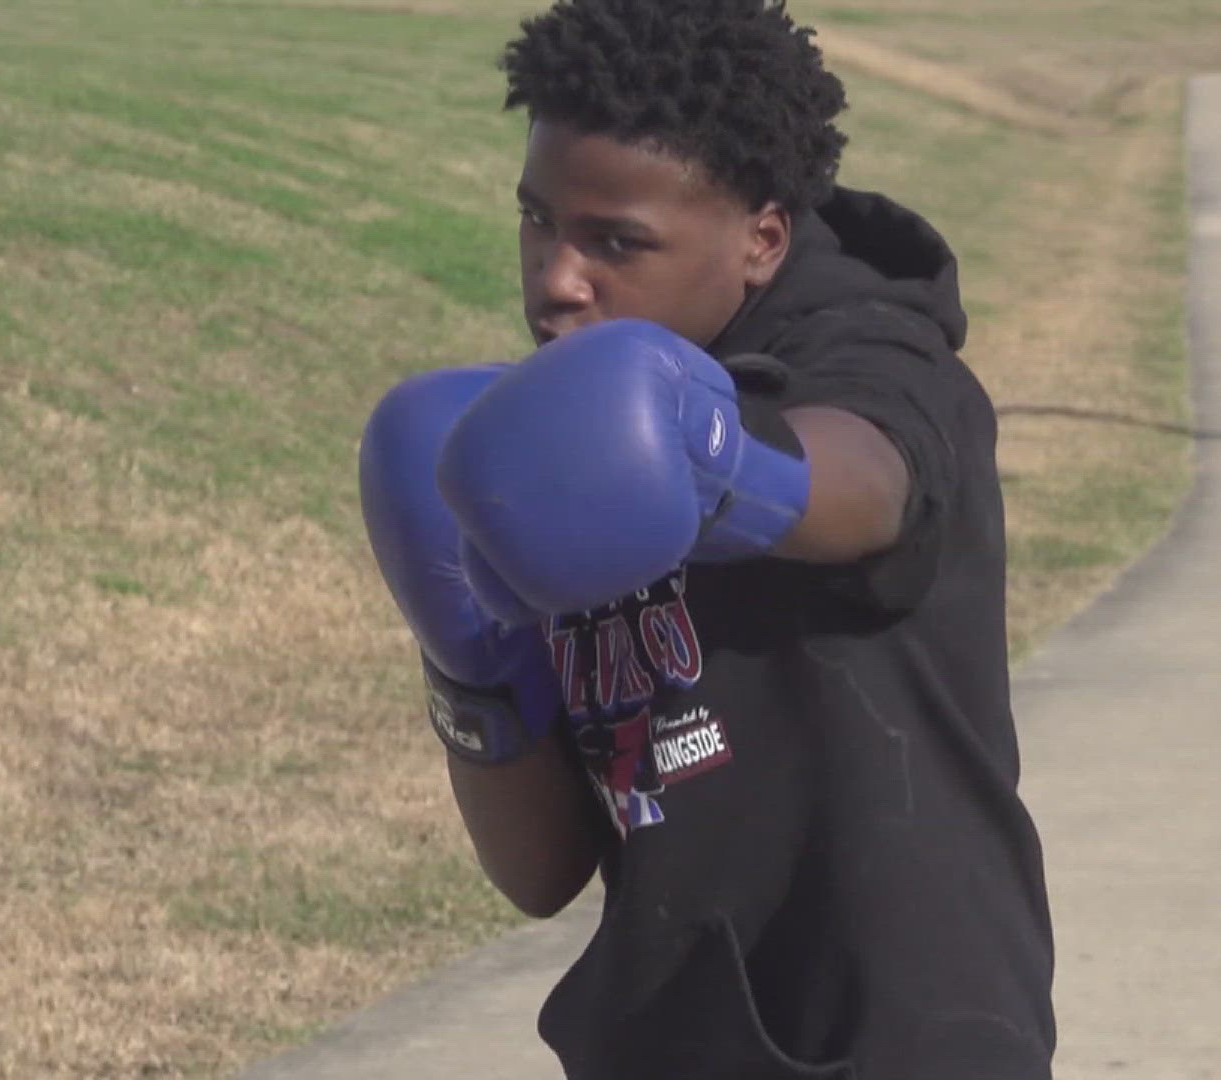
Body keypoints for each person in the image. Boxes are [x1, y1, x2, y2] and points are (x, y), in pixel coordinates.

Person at [358, 1, 1056, 1076]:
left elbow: (869, 481)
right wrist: (469, 666)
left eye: (616, 241)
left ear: (761, 239)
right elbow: (538, 872)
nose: (556, 278)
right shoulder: (552, 438)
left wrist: (715, 463)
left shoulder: (878, 352)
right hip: (665, 1037)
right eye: (538, 219)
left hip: (901, 1033)